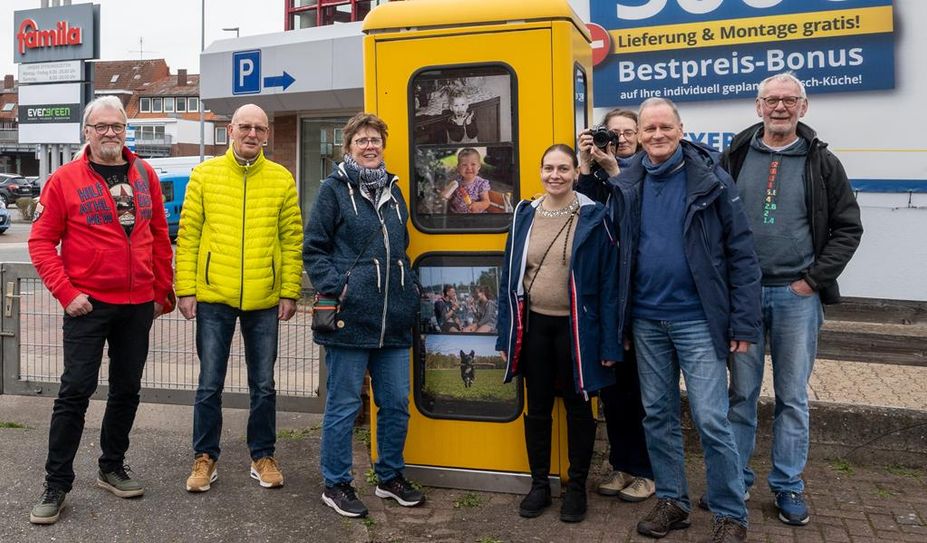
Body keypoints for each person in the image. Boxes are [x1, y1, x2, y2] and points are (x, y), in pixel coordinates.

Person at [608, 98, 762, 543]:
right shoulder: (628, 181)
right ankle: (673, 502)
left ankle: (731, 513)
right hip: (646, 320)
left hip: (698, 319)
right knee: (657, 415)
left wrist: (744, 324)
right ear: (637, 134)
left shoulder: (711, 178)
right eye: (648, 128)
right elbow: (618, 256)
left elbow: (742, 254)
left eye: (664, 127)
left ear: (680, 128)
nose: (657, 135)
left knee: (712, 417)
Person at [720, 73, 863, 527]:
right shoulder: (737, 156)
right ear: (758, 106)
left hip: (795, 298)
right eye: (771, 100)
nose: (780, 107)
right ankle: (735, 481)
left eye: (789, 100)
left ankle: (787, 486)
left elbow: (848, 229)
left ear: (804, 107)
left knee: (792, 397)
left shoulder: (823, 163)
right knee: (740, 393)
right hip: (742, 297)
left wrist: (812, 281)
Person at [28, 95, 174, 525]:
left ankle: (112, 466)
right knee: (75, 392)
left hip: (137, 305)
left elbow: (159, 235)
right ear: (87, 132)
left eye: (117, 126)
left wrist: (161, 290)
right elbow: (40, 243)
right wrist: (66, 293)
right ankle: (56, 484)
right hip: (86, 305)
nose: (110, 133)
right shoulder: (63, 180)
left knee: (127, 390)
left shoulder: (145, 173)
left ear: (125, 130)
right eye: (101, 126)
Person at [176, 104, 303, 493]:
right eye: (244, 126)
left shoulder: (282, 179)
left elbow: (291, 239)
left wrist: (289, 291)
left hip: (265, 300)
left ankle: (262, 455)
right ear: (230, 130)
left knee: (263, 385)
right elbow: (189, 235)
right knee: (209, 384)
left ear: (268, 135)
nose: (251, 134)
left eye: (259, 128)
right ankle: (205, 459)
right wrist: (185, 288)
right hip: (214, 297)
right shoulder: (204, 175)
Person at [304, 112, 424, 518]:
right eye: (362, 140)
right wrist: (342, 287)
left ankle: (389, 477)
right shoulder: (333, 191)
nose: (370, 146)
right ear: (348, 146)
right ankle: (336, 483)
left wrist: (409, 287)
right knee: (343, 406)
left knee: (395, 403)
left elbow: (401, 245)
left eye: (375, 140)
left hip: (394, 318)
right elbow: (314, 249)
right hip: (350, 319)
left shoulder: (394, 189)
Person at [496, 144, 620, 523]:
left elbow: (608, 281)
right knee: (537, 409)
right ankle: (539, 485)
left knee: (580, 409)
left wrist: (609, 342)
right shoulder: (524, 214)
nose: (555, 175)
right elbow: (508, 277)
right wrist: (505, 336)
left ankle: (576, 487)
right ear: (540, 171)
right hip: (534, 327)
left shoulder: (593, 216)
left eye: (563, 168)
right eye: (548, 167)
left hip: (577, 331)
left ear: (575, 172)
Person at [577, 108, 654, 503]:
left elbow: (643, 218)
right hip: (604, 298)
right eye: (613, 133)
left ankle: (645, 470)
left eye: (627, 133)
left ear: (639, 136)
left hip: (638, 298)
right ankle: (622, 464)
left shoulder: (646, 171)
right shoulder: (599, 173)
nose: (620, 140)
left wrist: (616, 171)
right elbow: (582, 215)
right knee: (614, 389)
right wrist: (587, 167)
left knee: (644, 391)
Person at [442, 147, 492, 214]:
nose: (469, 168)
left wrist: (478, 205)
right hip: (456, 214)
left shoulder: (481, 184)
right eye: (464, 165)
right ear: (459, 167)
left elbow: (486, 202)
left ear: (479, 167)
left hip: (474, 216)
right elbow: (449, 196)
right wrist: (447, 194)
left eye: (473, 164)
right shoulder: (457, 181)